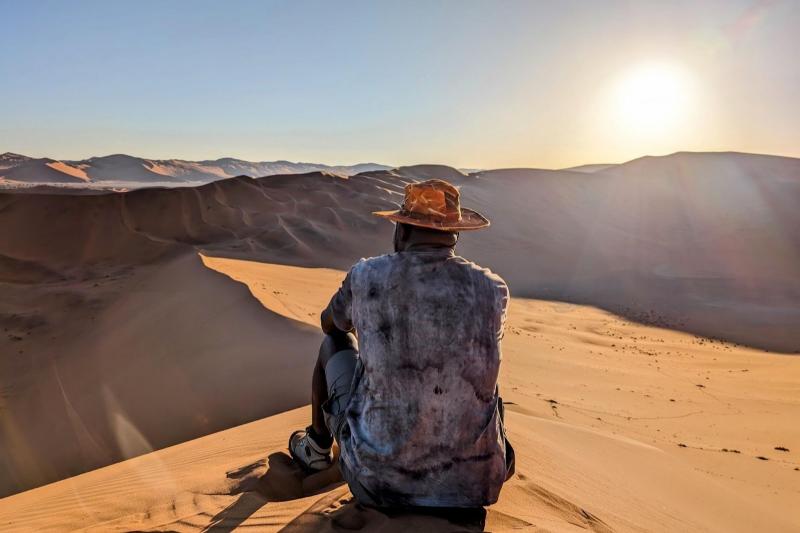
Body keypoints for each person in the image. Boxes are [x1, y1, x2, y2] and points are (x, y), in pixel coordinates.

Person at [289, 178, 514, 508]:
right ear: (454, 235)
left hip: (377, 482)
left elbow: (329, 324)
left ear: (403, 231)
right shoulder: (493, 289)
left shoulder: (367, 276)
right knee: (484, 385)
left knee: (333, 343)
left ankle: (318, 448)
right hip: (475, 488)